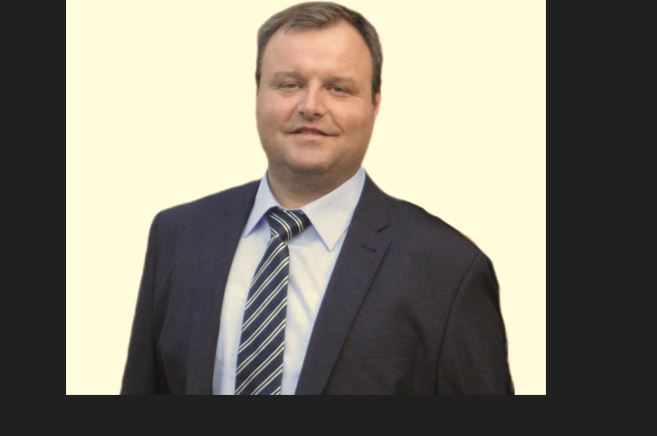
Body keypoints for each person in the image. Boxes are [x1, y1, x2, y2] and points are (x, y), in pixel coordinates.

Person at [121, 1, 514, 395]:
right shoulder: (179, 237)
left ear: (375, 103)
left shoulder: (447, 271)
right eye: (289, 84)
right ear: (258, 93)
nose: (310, 106)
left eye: (338, 88)